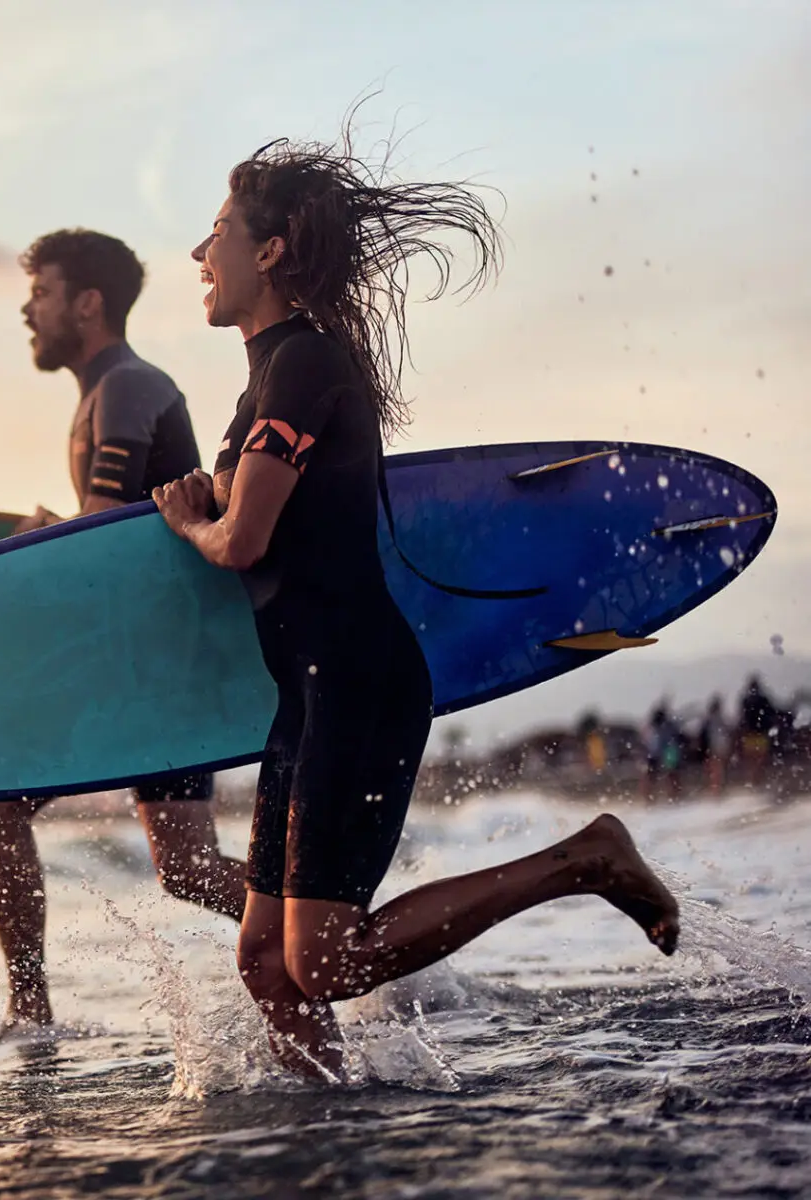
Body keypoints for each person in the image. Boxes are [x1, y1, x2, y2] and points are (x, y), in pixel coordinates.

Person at [150, 130, 679, 1076]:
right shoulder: (266, 378)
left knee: (325, 960)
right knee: (267, 963)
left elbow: (246, 541)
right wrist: (208, 500)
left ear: (270, 250)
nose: (200, 250)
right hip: (306, 697)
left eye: (218, 229)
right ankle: (329, 1124)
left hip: (359, 684)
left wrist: (198, 523)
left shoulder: (304, 365)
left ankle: (584, 859)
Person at [0, 229, 247, 1030]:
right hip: (157, 661)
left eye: (43, 293)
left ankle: (31, 1014)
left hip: (150, 667)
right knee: (188, 869)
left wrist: (40, 536)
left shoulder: (127, 390)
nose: (29, 311)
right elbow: (119, 533)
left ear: (87, 303)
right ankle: (334, 936)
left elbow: (97, 546)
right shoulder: (108, 393)